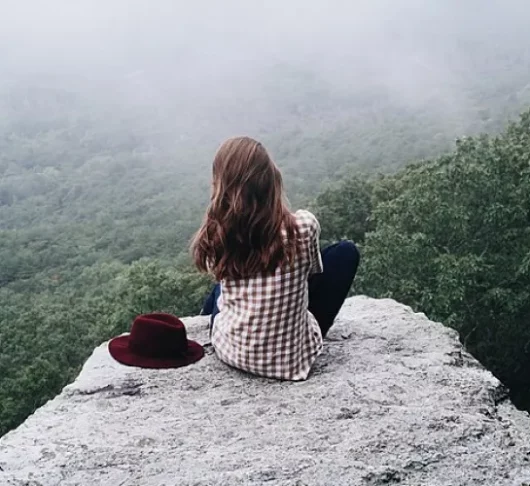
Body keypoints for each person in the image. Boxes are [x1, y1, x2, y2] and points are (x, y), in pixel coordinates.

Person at [191, 137, 359, 380]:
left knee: (221, 285)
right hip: (292, 362)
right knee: (345, 252)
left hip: (231, 352)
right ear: (271, 179)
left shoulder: (218, 236)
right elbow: (311, 274)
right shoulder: (304, 226)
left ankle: (202, 319)